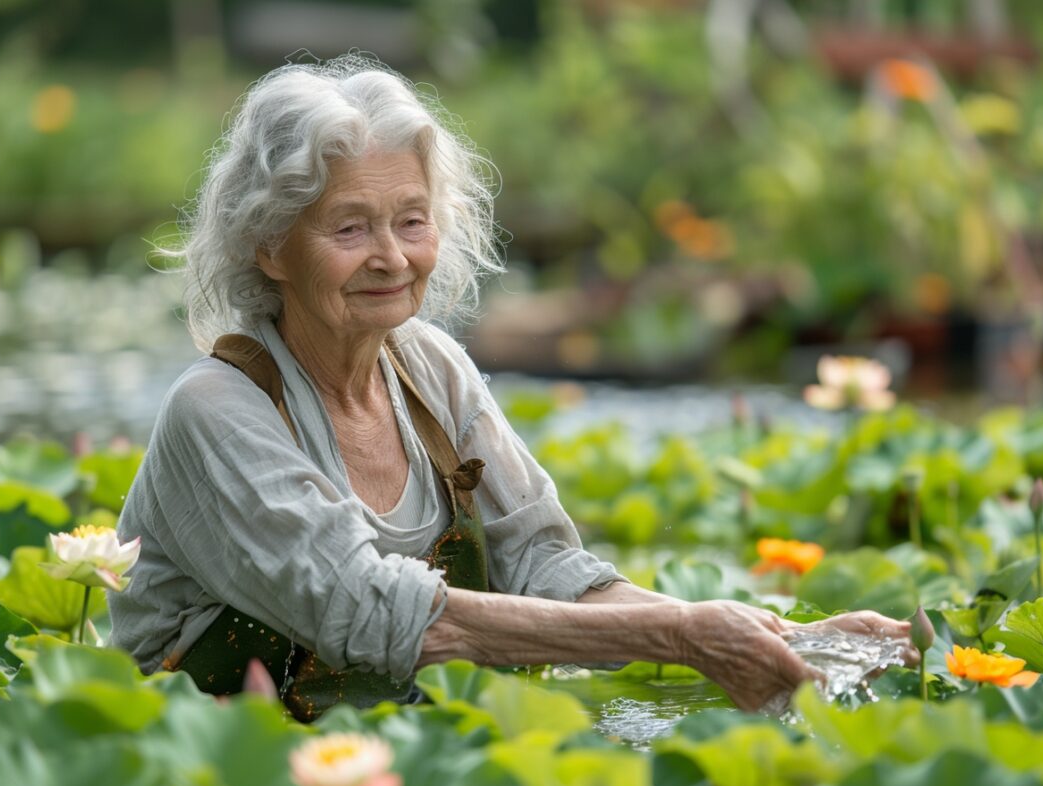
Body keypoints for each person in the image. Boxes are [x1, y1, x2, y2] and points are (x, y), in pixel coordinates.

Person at [108, 55, 916, 720]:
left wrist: (796, 638)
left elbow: (549, 569)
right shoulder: (215, 410)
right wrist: (682, 635)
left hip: (387, 752)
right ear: (272, 247)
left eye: (412, 221)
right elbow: (372, 616)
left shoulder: (432, 369)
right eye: (350, 228)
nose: (392, 256)